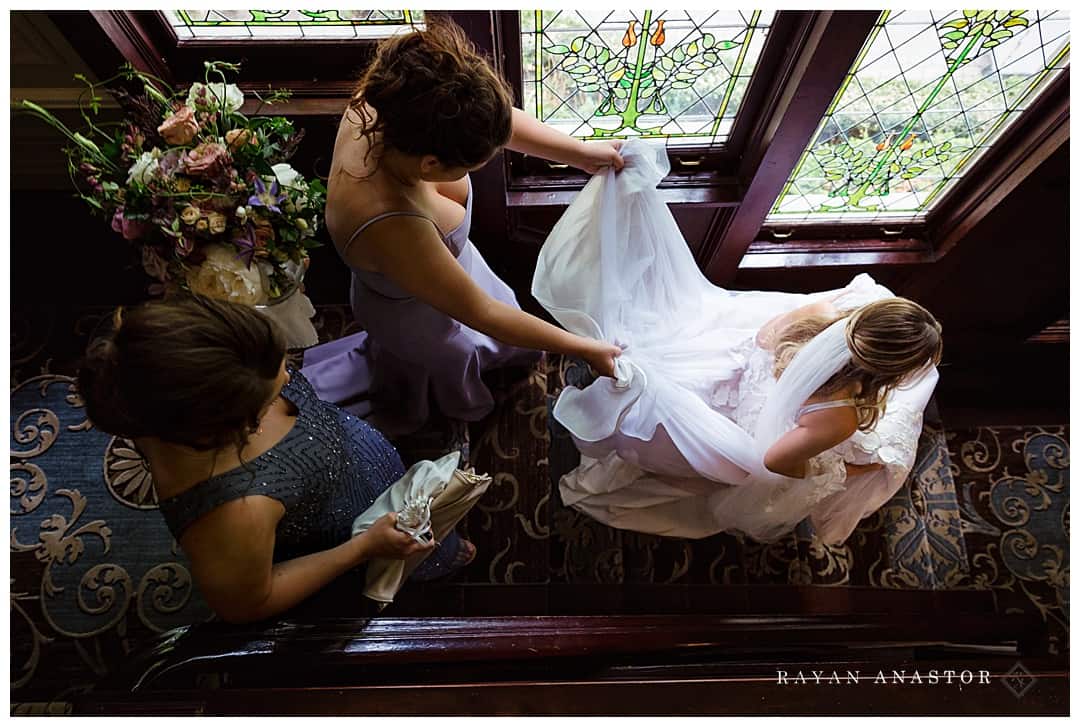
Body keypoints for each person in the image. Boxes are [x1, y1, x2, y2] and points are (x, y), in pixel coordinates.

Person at [532, 139, 944, 544]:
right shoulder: (841, 416)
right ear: (885, 371)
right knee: (873, 462)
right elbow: (775, 460)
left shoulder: (823, 318)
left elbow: (765, 336)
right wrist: (826, 472)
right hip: (738, 427)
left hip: (726, 370)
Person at [301, 19, 623, 436]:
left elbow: (491, 120)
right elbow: (481, 312)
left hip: (448, 273)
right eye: (473, 164)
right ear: (431, 165)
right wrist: (583, 347)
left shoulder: (399, 95)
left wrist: (579, 154)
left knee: (494, 329)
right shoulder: (389, 222)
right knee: (448, 364)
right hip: (417, 317)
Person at [78, 295, 478, 624]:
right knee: (420, 558)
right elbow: (250, 603)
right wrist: (363, 549)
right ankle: (436, 564)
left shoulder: (188, 359)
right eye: (266, 397)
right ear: (217, 424)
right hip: (342, 535)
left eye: (282, 363)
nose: (288, 379)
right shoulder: (232, 508)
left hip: (357, 473)